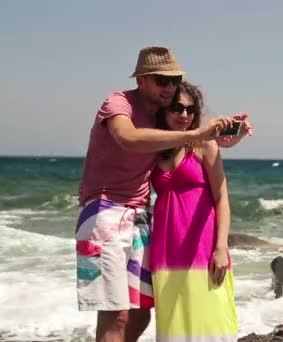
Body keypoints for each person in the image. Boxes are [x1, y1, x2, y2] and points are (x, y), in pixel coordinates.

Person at [75, 46, 250, 342]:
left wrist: (224, 137)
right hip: (105, 210)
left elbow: (194, 150)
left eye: (174, 79)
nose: (169, 87)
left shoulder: (160, 115)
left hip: (141, 218)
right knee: (115, 314)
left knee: (142, 312)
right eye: (161, 80)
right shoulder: (119, 103)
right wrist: (196, 134)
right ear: (141, 79)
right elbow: (129, 138)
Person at [150, 81, 238, 341]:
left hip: (203, 248)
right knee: (174, 323)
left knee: (210, 318)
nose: (184, 115)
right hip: (166, 250)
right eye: (177, 108)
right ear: (164, 110)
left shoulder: (205, 146)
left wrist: (221, 247)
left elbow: (222, 198)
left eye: (191, 109)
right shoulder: (155, 150)